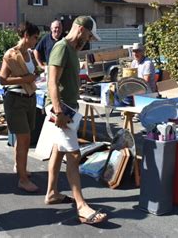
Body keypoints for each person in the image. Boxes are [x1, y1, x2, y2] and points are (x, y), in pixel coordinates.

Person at [45, 15, 108, 224]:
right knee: (73, 154)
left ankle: (52, 193)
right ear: (81, 29)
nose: (88, 40)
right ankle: (81, 206)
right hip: (61, 110)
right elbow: (51, 82)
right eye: (89, 35)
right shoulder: (62, 47)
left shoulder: (71, 50)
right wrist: (59, 112)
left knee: (57, 149)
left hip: (66, 108)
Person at [0, 21, 40, 193]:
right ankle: (22, 180)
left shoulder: (30, 53)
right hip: (15, 99)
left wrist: (33, 76)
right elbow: (3, 80)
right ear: (26, 36)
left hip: (29, 98)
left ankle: (20, 167)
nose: (36, 41)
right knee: (24, 139)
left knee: (24, 137)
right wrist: (25, 79)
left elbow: (31, 75)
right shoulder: (11, 55)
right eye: (34, 38)